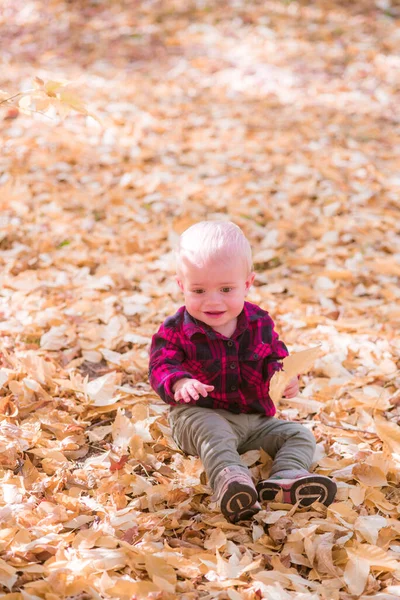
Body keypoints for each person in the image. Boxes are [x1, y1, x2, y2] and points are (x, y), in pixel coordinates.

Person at [149, 221, 336, 522]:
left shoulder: (259, 321)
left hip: (254, 420)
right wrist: (180, 381)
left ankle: (286, 477)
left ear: (247, 284)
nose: (213, 300)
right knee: (215, 432)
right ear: (182, 286)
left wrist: (285, 378)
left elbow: (276, 356)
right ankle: (230, 479)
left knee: (298, 435)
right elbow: (161, 364)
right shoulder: (174, 330)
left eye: (226, 289)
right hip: (198, 416)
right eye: (199, 290)